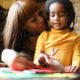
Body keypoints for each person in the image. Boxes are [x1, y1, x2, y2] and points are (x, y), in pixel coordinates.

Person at [1, 0, 49, 70]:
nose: (41, 19)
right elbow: (6, 53)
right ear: (22, 26)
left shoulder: (53, 32)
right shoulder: (20, 48)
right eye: (34, 19)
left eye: (40, 14)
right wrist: (5, 54)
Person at [34, 0, 80, 72]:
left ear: (69, 17)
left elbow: (77, 58)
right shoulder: (43, 36)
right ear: (48, 17)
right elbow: (35, 62)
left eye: (61, 15)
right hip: (45, 76)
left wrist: (75, 67)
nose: (56, 18)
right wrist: (41, 60)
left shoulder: (75, 37)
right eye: (52, 15)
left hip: (65, 75)